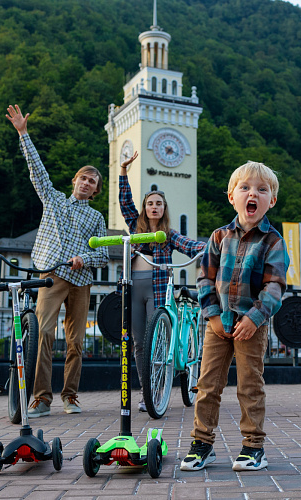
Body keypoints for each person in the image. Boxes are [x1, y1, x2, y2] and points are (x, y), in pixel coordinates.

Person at [181, 161, 289, 472]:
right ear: (232, 196)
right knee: (207, 385)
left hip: (251, 327)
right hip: (218, 325)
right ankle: (202, 444)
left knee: (249, 385)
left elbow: (274, 286)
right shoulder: (218, 237)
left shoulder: (273, 242)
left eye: (262, 190)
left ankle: (253, 447)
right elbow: (204, 278)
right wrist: (212, 314)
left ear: (272, 201)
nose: (252, 193)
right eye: (245, 188)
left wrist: (255, 318)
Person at [6, 104, 109, 417]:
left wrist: (85, 257)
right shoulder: (53, 200)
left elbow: (104, 255)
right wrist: (23, 133)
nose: (87, 183)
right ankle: (41, 398)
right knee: (43, 333)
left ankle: (70, 396)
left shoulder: (96, 217)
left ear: (95, 191)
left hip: (82, 280)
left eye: (93, 181)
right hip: (52, 274)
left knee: (76, 341)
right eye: (84, 178)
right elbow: (37, 171)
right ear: (74, 181)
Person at [118, 151, 206, 412]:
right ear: (145, 208)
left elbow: (190, 245)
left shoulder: (167, 234)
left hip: (157, 288)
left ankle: (158, 390)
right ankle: (148, 392)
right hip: (133, 287)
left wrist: (212, 247)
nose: (154, 207)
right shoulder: (135, 226)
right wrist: (123, 171)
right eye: (150, 203)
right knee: (139, 343)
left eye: (159, 204)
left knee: (157, 339)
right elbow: (124, 202)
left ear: (164, 209)